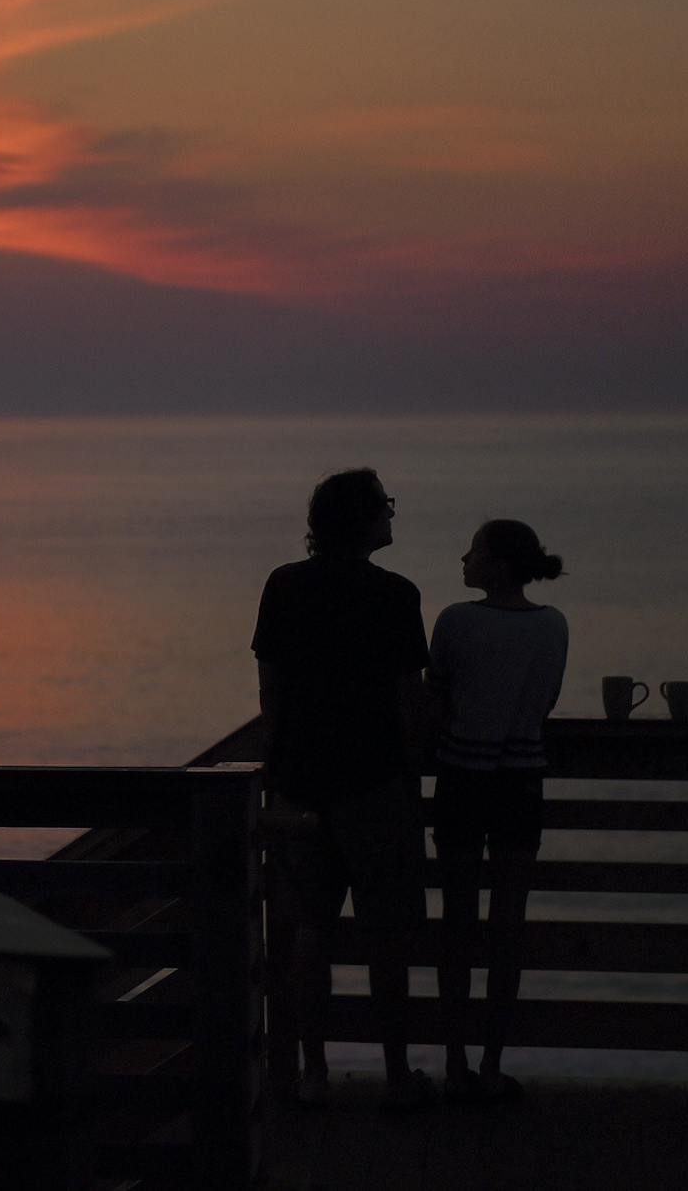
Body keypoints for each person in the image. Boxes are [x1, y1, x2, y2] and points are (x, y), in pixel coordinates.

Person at [252, 468, 435, 1110]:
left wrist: (274, 768)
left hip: (300, 783)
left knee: (311, 931)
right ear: (360, 520)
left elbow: (270, 687)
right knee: (387, 934)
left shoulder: (284, 585)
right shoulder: (395, 595)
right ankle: (396, 1073)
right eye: (384, 506)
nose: (392, 516)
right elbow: (408, 695)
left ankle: (313, 1073)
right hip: (375, 782)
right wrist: (413, 770)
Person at [428, 519, 568, 1105]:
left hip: (463, 775)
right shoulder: (553, 625)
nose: (463, 557)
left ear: (498, 565)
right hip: (522, 780)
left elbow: (437, 696)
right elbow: (547, 702)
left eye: (475, 550)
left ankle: (455, 1065)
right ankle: (491, 1064)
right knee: (508, 925)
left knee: (458, 925)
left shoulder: (457, 621)